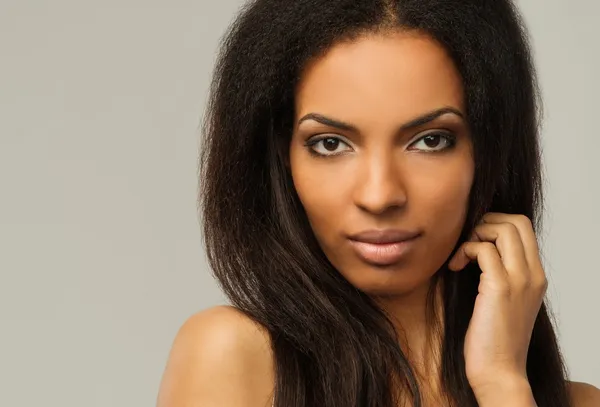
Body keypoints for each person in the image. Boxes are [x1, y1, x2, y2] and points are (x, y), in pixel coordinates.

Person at [156, 0, 600, 406]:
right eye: (330, 144)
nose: (380, 195)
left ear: (489, 153)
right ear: (281, 157)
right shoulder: (232, 357)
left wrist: (502, 382)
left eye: (430, 141)